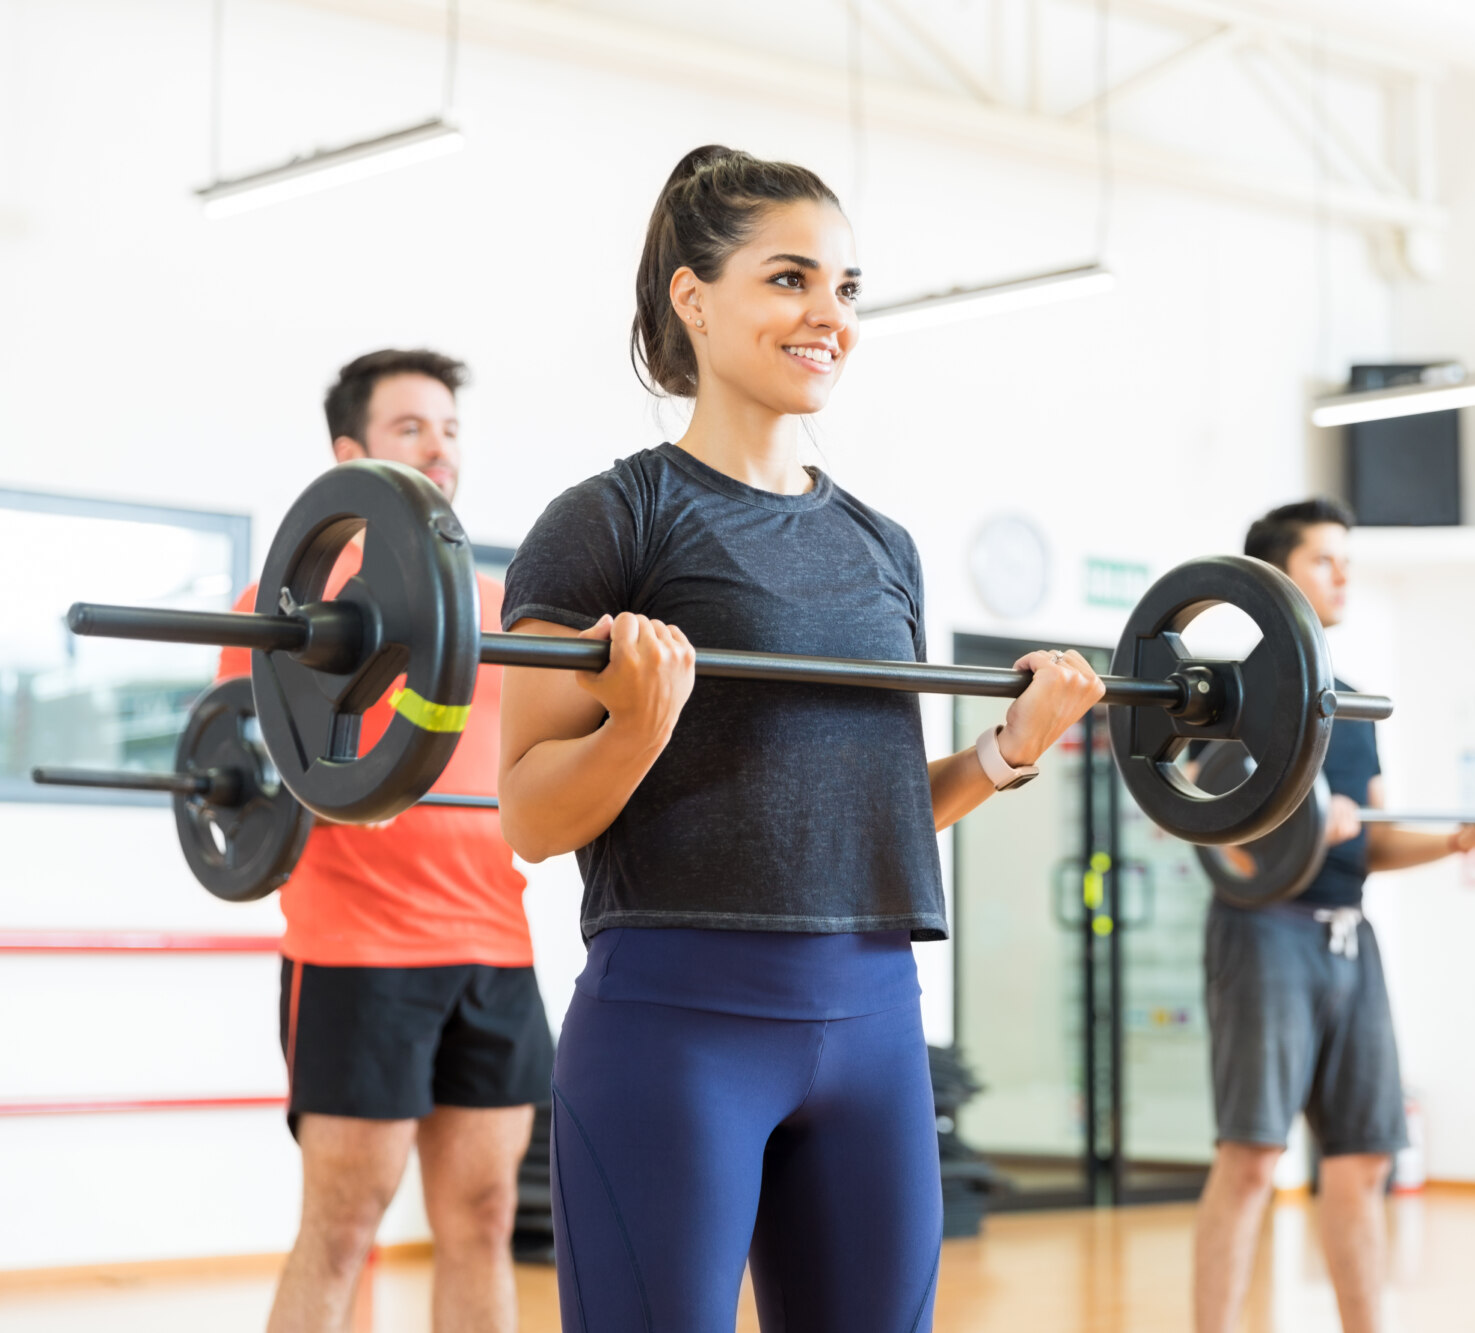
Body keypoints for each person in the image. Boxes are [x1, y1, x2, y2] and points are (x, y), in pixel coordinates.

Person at [495, 145, 1105, 1332]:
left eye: (846, 288)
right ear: (694, 297)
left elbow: (863, 802)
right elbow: (529, 814)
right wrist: (636, 724)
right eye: (789, 280)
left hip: (873, 1016)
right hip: (677, 1022)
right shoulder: (608, 521)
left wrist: (1007, 752)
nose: (830, 317)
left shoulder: (882, 546)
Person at [219, 349, 553, 1333]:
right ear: (350, 452)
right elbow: (233, 770)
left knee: (484, 1216)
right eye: (411, 427)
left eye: (449, 429)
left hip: (493, 948)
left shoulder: (502, 611)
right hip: (358, 948)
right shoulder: (283, 614)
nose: (439, 448)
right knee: (342, 1226)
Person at [1191, 497, 1475, 1333]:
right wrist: (1302, 828)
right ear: (1277, 578)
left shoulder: (1348, 702)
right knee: (1254, 1155)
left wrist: (1467, 836)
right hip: (1265, 930)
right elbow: (1208, 825)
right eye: (1324, 559)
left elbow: (1373, 837)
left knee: (1365, 1156)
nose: (1344, 573)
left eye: (1347, 559)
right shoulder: (1230, 693)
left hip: (1351, 935)